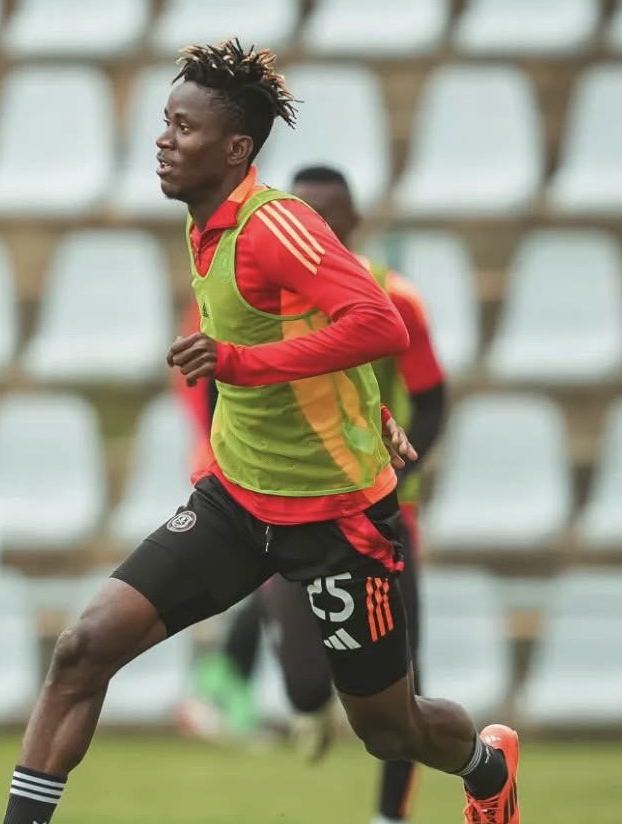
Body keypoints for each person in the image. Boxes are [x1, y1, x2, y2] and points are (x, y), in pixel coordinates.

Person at [0, 40, 519, 824]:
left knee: (389, 729)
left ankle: (486, 767)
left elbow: (376, 325)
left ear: (236, 149)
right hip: (236, 503)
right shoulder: (202, 221)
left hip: (339, 519)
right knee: (82, 650)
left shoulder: (275, 223)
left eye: (184, 127)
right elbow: (305, 327)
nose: (164, 140)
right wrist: (362, 409)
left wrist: (244, 361)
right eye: (166, 121)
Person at [178, 165, 450, 824]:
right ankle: (291, 677)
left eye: (330, 217)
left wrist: (401, 469)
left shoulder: (392, 297)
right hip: (281, 505)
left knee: (403, 676)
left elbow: (433, 398)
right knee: (304, 686)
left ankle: (392, 815)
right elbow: (216, 384)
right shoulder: (253, 293)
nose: (315, 229)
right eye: (305, 215)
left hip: (375, 512)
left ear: (353, 226)